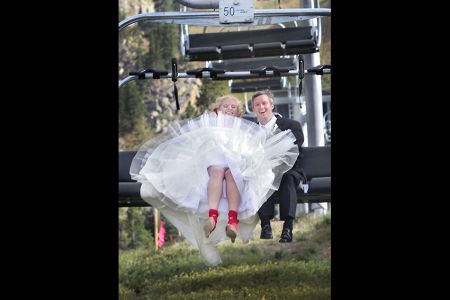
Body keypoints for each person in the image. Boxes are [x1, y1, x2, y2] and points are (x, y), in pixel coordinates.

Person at [130, 95, 299, 266]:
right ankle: (213, 217)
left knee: (232, 175)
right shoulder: (210, 125)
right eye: (226, 106)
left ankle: (232, 221)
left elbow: (251, 150)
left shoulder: (244, 129)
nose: (229, 109)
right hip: (213, 165)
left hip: (234, 167)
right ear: (218, 109)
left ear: (239, 112)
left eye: (234, 107)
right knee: (216, 172)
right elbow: (199, 147)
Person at [252, 90, 305, 243]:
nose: (261, 107)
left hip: (289, 169)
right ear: (253, 108)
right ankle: (265, 224)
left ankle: (288, 228)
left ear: (271, 105)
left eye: (264, 103)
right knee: (260, 177)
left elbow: (295, 146)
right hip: (263, 171)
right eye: (257, 105)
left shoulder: (290, 125)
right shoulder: (251, 131)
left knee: (286, 177)